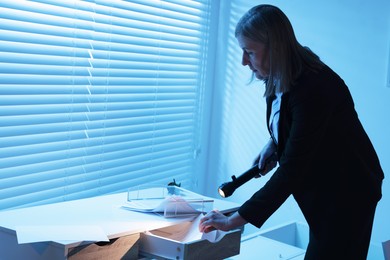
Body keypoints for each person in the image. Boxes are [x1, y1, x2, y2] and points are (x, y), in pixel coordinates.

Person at [199, 4, 384, 260]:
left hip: (347, 192)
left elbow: (291, 171)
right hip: (325, 185)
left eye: (249, 52)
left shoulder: (314, 87)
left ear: (275, 48)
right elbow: (294, 124)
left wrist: (235, 220)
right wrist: (274, 144)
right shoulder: (280, 75)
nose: (243, 61)